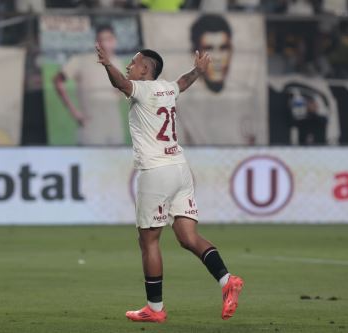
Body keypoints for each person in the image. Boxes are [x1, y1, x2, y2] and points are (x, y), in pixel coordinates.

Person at [95, 43, 244, 322]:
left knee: (148, 241)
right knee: (188, 237)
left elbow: (121, 84)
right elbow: (183, 83)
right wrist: (198, 71)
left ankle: (155, 308)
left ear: (145, 70)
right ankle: (227, 281)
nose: (129, 66)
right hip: (180, 169)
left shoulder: (144, 89)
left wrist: (107, 64)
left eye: (134, 62)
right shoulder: (166, 88)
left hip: (156, 172)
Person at [176, 13, 265, 145]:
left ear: (231, 51)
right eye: (209, 49)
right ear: (194, 54)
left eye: (223, 48)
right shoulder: (181, 103)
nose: (217, 58)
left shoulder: (247, 96)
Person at [53, 24, 125, 145]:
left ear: (114, 41)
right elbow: (58, 81)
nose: (105, 43)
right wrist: (74, 112)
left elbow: (121, 90)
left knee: (116, 161)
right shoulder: (81, 60)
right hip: (91, 126)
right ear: (96, 42)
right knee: (92, 160)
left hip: (114, 125)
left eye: (108, 39)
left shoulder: (118, 63)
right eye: (101, 40)